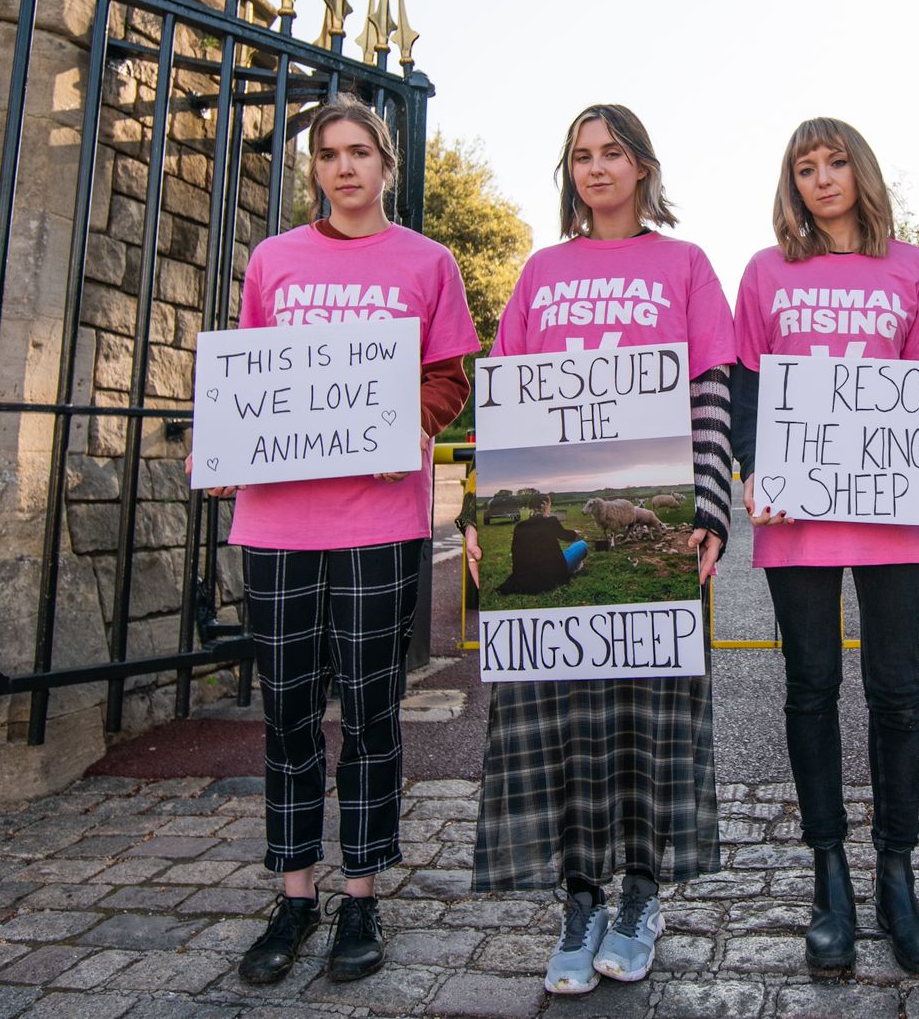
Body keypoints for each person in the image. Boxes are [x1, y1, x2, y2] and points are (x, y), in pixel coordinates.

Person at [205, 94, 480, 987]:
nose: (345, 168)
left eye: (360, 152)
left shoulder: (428, 261)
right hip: (279, 520)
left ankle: (360, 895)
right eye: (329, 155)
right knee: (285, 712)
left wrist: (413, 426)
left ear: (386, 163)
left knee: (367, 713)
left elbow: (450, 377)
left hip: (378, 520)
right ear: (314, 169)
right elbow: (251, 375)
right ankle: (293, 895)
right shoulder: (273, 260)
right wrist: (222, 440)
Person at [467, 104, 735, 996]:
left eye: (612, 152)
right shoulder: (540, 272)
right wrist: (475, 513)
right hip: (565, 504)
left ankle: (642, 898)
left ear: (643, 166)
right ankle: (579, 900)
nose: (596, 168)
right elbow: (503, 405)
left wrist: (711, 511)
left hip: (663, 504)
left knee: (648, 721)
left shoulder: (686, 264)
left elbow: (710, 399)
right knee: (563, 722)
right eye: (580, 156)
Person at [730, 117, 919, 975]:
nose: (822, 178)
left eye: (835, 162)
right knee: (810, 689)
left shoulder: (912, 267)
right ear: (791, 184)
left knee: (897, 693)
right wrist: (751, 471)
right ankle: (828, 875)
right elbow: (745, 386)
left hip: (893, 510)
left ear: (861, 170)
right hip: (798, 517)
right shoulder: (768, 272)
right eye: (805, 167)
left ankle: (897, 873)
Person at [497, 495, 587, 596]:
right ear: (544, 505)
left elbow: (515, 553)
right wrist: (575, 533)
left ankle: (576, 566)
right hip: (552, 575)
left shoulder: (519, 527)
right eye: (549, 505)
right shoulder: (551, 521)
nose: (550, 508)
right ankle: (576, 567)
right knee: (582, 545)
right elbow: (566, 536)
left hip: (524, 577)